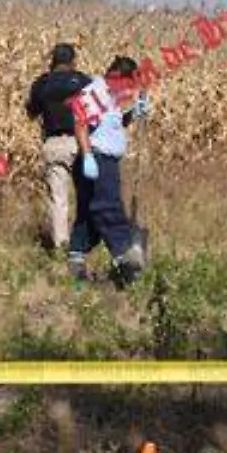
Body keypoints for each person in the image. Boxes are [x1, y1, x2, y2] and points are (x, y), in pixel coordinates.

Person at [66, 55, 151, 286]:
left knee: (88, 214)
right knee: (107, 206)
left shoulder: (111, 97)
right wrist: (88, 157)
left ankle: (76, 259)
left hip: (104, 159)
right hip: (97, 160)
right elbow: (80, 124)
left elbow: (113, 125)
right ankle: (126, 258)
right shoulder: (95, 93)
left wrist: (135, 113)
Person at [25, 43, 92, 254]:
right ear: (73, 61)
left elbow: (31, 112)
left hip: (54, 144)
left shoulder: (42, 84)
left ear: (52, 61)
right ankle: (83, 243)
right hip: (81, 142)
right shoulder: (83, 81)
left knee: (59, 198)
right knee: (86, 194)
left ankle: (61, 245)